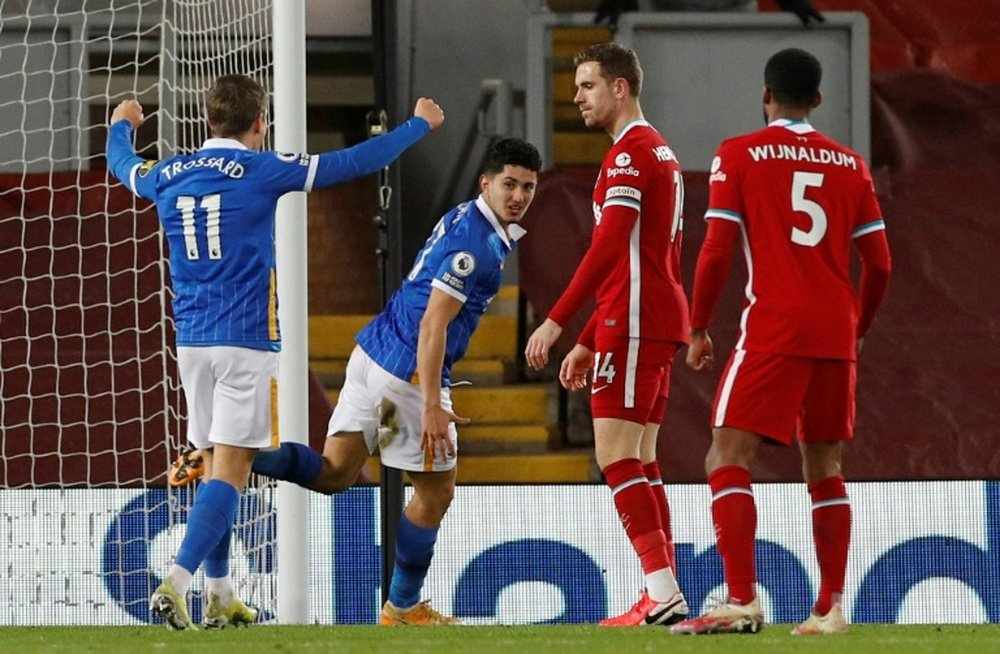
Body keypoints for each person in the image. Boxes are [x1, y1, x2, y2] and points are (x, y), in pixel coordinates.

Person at [105, 74, 444, 630]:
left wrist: (122, 122)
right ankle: (177, 580)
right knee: (231, 473)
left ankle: (220, 595)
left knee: (214, 464)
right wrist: (418, 126)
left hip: (190, 343)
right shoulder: (261, 169)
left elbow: (122, 164)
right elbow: (350, 163)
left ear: (208, 121)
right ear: (259, 123)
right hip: (246, 343)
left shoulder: (166, 173)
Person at [250, 137, 543, 626]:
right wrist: (431, 402)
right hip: (405, 375)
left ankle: (239, 457)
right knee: (436, 493)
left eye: (528, 188)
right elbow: (434, 325)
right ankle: (401, 608)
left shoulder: (467, 217)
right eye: (509, 184)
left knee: (336, 474)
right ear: (486, 183)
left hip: (371, 355)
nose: (517, 196)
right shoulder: (478, 247)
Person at [669, 48, 891, 636]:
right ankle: (830, 608)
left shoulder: (739, 154)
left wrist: (697, 325)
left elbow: (717, 248)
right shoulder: (851, 164)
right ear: (817, 100)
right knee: (825, 466)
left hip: (774, 326)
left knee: (726, 454)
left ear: (766, 95)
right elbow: (881, 265)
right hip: (834, 332)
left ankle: (742, 599)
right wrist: (859, 327)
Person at [523, 42, 690, 627]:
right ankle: (664, 589)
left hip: (637, 321)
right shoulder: (660, 153)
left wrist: (557, 318)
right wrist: (590, 336)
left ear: (621, 87)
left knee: (615, 456)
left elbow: (609, 247)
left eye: (588, 86)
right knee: (641, 457)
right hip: (648, 316)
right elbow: (637, 257)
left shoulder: (628, 157)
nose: (578, 98)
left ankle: (662, 589)